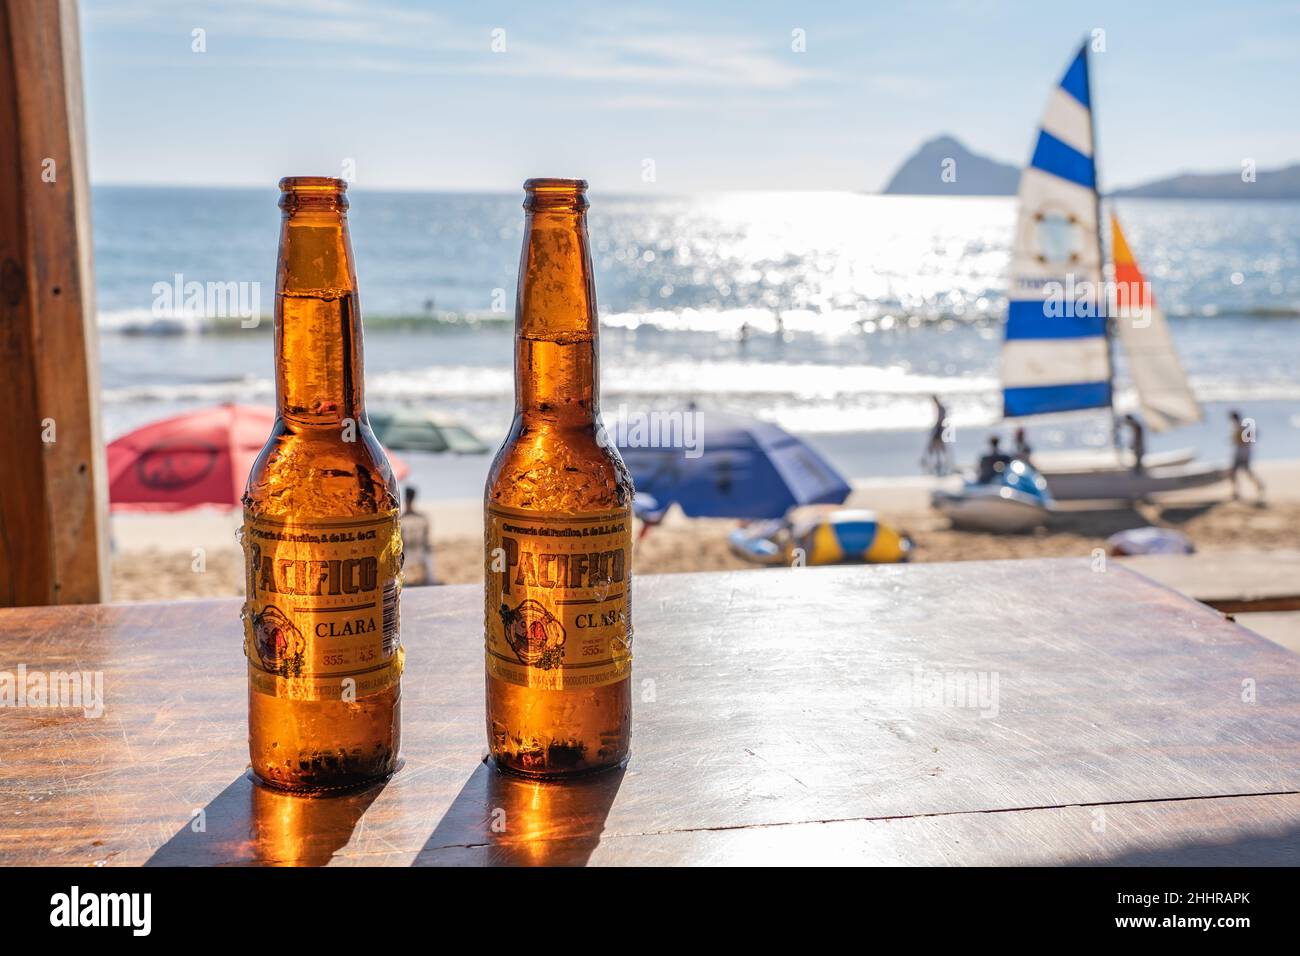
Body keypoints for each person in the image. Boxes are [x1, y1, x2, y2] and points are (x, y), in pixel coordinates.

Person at [400, 485, 436, 586]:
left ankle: (429, 580)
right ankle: (430, 580)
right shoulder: (422, 518)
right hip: (418, 553)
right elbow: (426, 539)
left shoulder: (402, 520)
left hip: (409, 553)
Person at [1229, 409, 1266, 502]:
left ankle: (1239, 491)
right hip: (1244, 452)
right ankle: (1237, 491)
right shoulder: (1240, 425)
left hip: (1242, 453)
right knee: (1238, 472)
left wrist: (1244, 442)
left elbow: (1254, 434)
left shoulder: (1242, 425)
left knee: (1238, 472)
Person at [920, 394, 952, 476]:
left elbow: (940, 420)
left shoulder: (940, 407)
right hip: (941, 429)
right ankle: (941, 467)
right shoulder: (941, 407)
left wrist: (936, 429)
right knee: (939, 450)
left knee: (937, 449)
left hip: (939, 430)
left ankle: (941, 467)